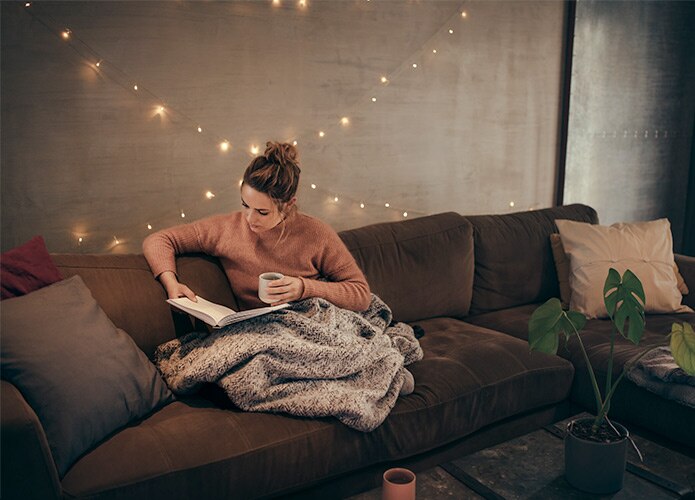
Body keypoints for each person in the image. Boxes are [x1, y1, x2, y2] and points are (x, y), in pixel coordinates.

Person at [143, 141, 371, 312]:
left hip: (313, 322)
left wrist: (304, 288)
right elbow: (159, 240)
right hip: (261, 332)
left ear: (288, 205)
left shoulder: (316, 234)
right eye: (245, 205)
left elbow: (361, 295)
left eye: (262, 212)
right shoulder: (226, 229)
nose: (250, 219)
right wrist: (171, 283)